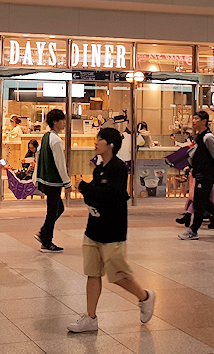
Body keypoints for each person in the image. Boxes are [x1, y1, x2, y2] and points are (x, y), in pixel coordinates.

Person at [67, 127, 155, 333]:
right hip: (93, 228)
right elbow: (94, 196)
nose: (96, 143)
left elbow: (111, 196)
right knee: (92, 273)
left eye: (100, 140)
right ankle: (90, 317)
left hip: (112, 230)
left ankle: (145, 297)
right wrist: (86, 190)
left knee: (118, 275)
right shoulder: (99, 169)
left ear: (111, 145)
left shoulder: (118, 169)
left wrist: (85, 187)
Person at [179, 111, 214, 240]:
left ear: (204, 121)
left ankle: (193, 231)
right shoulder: (199, 137)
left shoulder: (208, 137)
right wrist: (191, 166)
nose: (194, 121)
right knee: (203, 203)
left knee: (199, 204)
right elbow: (199, 155)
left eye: (196, 119)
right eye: (193, 118)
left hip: (206, 174)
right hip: (199, 173)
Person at [34, 108, 71, 252]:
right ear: (55, 122)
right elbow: (60, 163)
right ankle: (46, 241)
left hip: (45, 180)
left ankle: (43, 233)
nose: (64, 123)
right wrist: (67, 182)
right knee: (53, 211)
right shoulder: (56, 140)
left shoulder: (46, 137)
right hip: (53, 181)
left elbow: (38, 154)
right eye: (62, 120)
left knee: (58, 208)